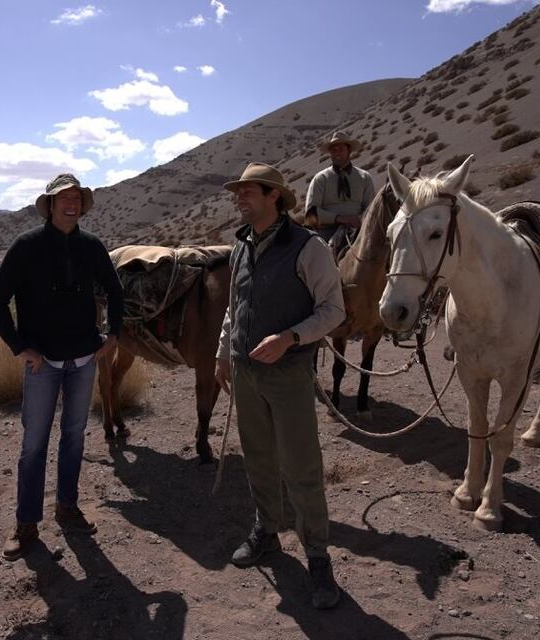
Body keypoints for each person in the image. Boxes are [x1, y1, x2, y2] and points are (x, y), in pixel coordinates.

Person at [214, 162, 346, 609]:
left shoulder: (307, 247)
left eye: (248, 192)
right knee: (258, 457)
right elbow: (235, 307)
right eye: (238, 193)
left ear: (274, 196)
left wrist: (291, 336)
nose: (239, 199)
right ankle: (266, 531)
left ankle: (317, 556)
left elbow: (334, 310)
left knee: (301, 465)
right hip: (245, 370)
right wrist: (221, 353)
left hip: (288, 373)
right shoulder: (240, 248)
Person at [0, 173, 123, 561]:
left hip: (83, 360)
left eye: (77, 197)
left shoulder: (91, 246)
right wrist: (20, 348)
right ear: (50, 205)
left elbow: (115, 290)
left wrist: (112, 334)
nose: (72, 202)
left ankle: (67, 506)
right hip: (42, 363)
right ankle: (27, 522)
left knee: (75, 436)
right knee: (34, 444)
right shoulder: (26, 246)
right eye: (64, 197)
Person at [304, 130, 375, 256]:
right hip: (327, 230)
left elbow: (371, 207)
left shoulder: (364, 177)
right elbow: (311, 213)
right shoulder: (321, 179)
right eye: (334, 150)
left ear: (349, 151)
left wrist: (359, 219)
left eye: (341, 149)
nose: (337, 153)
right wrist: (339, 218)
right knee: (314, 258)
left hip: (359, 228)